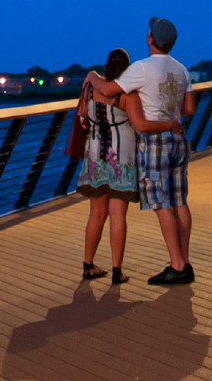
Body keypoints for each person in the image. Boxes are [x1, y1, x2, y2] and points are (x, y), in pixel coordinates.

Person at [91, 16, 195, 285]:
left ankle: (176, 265)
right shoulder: (182, 70)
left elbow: (108, 88)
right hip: (178, 138)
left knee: (161, 204)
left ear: (151, 40)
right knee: (180, 201)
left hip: (155, 142)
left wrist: (92, 76)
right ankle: (185, 261)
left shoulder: (141, 68)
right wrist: (169, 112)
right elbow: (189, 109)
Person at [75, 48, 139, 282]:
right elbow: (138, 123)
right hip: (120, 156)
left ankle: (88, 265)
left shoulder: (91, 89)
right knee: (118, 214)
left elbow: (81, 115)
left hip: (94, 154)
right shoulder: (127, 94)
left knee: (96, 213)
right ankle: (116, 271)